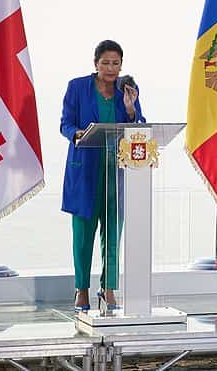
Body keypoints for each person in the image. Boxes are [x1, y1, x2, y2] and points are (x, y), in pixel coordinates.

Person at [60, 39, 144, 312]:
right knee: (83, 234)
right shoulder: (77, 87)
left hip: (116, 171)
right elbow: (66, 123)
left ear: (122, 65)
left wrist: (131, 108)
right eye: (105, 63)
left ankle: (108, 289)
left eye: (116, 63)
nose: (111, 68)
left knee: (113, 233)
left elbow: (139, 126)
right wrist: (77, 133)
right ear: (95, 63)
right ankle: (81, 289)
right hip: (85, 170)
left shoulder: (127, 89)